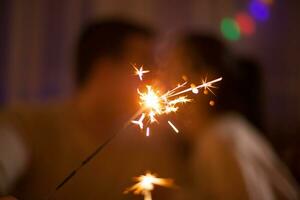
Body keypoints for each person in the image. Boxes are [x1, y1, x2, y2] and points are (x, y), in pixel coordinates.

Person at [0, 18, 177, 200]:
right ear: (105, 71)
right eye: (146, 64)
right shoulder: (27, 125)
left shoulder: (153, 149)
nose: (158, 77)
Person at [163, 33, 299, 200]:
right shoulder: (214, 135)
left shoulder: (222, 139)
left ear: (206, 79)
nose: (163, 78)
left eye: (173, 66)